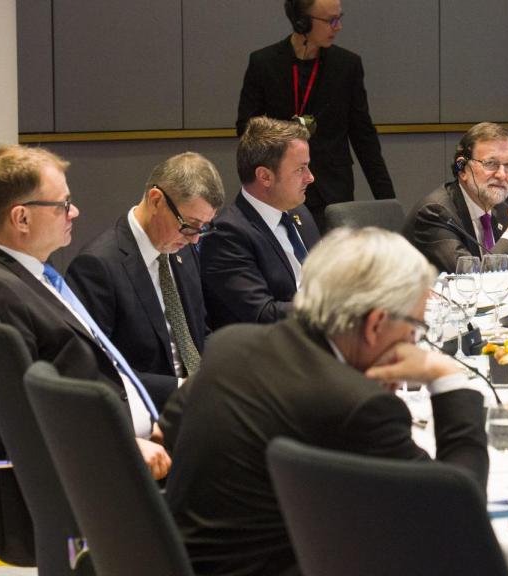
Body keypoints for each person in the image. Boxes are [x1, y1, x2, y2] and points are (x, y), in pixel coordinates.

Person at [166, 227, 488, 576]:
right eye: (414, 330)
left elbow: (166, 434)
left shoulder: (231, 345)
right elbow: (457, 519)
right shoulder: (357, 404)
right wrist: (447, 378)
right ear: (376, 324)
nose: (414, 344)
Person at [0, 144, 170, 479]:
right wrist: (119, 443)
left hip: (135, 437)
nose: (74, 211)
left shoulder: (31, 275)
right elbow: (14, 414)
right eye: (62, 204)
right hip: (102, 470)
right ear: (21, 217)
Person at [65, 153, 224, 409]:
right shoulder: (97, 267)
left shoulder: (180, 249)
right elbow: (98, 371)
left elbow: (198, 334)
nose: (195, 239)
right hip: (144, 412)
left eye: (204, 227)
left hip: (197, 405)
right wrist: (183, 389)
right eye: (190, 225)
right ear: (156, 200)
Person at [236, 0, 394, 225]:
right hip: (280, 191)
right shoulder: (264, 63)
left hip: (333, 193)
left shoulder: (347, 65)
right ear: (302, 22)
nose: (338, 27)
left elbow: (364, 137)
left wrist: (387, 201)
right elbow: (246, 130)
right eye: (331, 20)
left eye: (339, 18)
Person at [403, 122, 508, 284]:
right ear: (462, 169)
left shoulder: (502, 211)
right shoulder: (435, 213)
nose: (502, 174)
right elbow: (471, 286)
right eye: (490, 164)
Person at [200, 116, 321, 330]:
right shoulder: (227, 235)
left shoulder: (301, 215)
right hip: (269, 353)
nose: (310, 177)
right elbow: (263, 314)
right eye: (300, 169)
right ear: (265, 176)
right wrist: (332, 310)